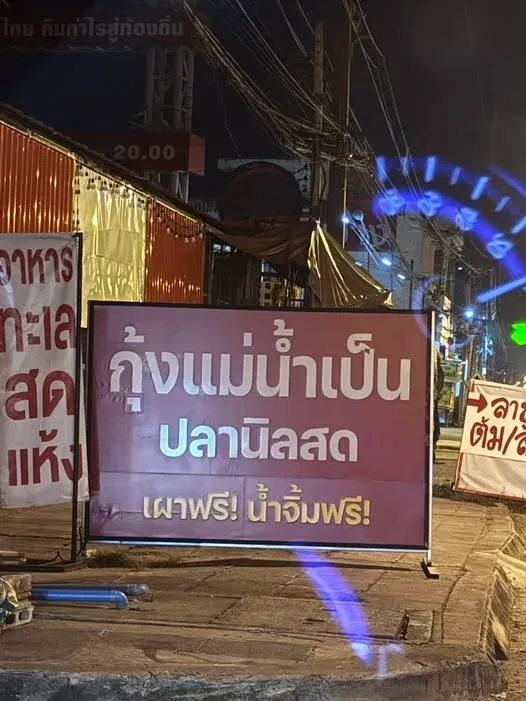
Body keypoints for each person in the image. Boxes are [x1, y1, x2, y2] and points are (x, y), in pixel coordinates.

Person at [434, 347, 445, 459]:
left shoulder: (438, 370)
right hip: (431, 401)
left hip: (433, 401)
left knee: (435, 428)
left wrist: (437, 393)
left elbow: (441, 378)